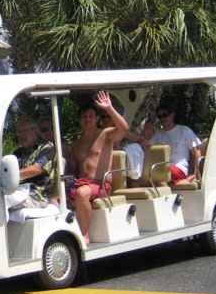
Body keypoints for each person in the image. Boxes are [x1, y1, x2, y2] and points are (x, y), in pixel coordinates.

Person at [65, 91, 128, 244]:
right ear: (80, 120)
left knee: (81, 193)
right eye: (84, 117)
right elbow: (73, 171)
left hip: (100, 185)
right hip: (82, 183)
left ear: (97, 119)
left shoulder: (106, 135)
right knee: (57, 197)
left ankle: (84, 234)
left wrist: (109, 108)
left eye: (91, 116)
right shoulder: (76, 144)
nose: (87, 120)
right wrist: (66, 189)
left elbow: (124, 129)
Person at [143, 102, 202, 183]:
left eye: (165, 115)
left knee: (160, 173)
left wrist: (196, 174)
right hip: (160, 168)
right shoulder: (157, 133)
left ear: (172, 114)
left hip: (178, 169)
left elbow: (197, 152)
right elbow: (146, 151)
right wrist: (147, 134)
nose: (162, 118)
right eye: (160, 116)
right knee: (138, 175)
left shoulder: (184, 130)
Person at [11, 118, 56, 207]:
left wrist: (10, 176)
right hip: (18, 192)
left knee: (1, 202)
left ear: (35, 131)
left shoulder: (47, 147)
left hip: (37, 196)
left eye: (25, 131)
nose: (22, 135)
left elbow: (36, 169)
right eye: (19, 133)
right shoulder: (17, 154)